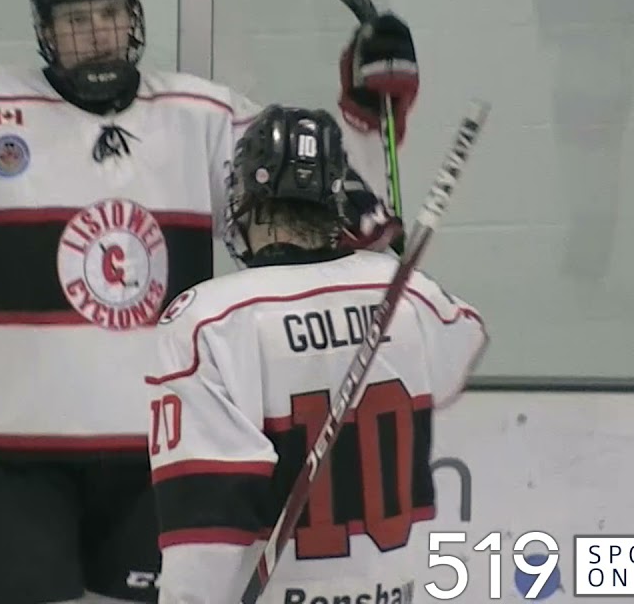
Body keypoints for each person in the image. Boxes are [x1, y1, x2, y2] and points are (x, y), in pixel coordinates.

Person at [0, 0, 418, 604]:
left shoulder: (204, 118)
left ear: (133, 18)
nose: (95, 34)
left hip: (161, 460)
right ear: (46, 30)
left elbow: (339, 219)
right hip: (16, 464)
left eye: (107, 15)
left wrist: (367, 116)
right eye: (75, 20)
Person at [145, 106, 487, 604]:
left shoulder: (209, 321)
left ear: (248, 197)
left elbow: (205, 520)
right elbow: (465, 343)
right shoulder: (409, 296)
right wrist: (388, 263)